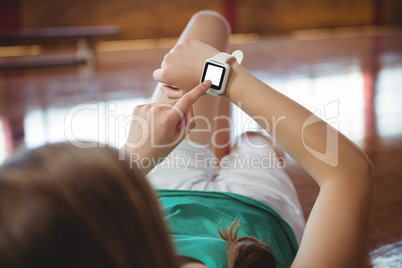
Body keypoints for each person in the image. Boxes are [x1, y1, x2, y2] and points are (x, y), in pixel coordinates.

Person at [0, 11, 373, 268]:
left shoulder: (79, 242)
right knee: (256, 141)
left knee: (208, 25)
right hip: (254, 207)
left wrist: (134, 161)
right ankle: (231, 143)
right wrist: (225, 77)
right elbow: (349, 173)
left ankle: (226, 143)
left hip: (147, 197)